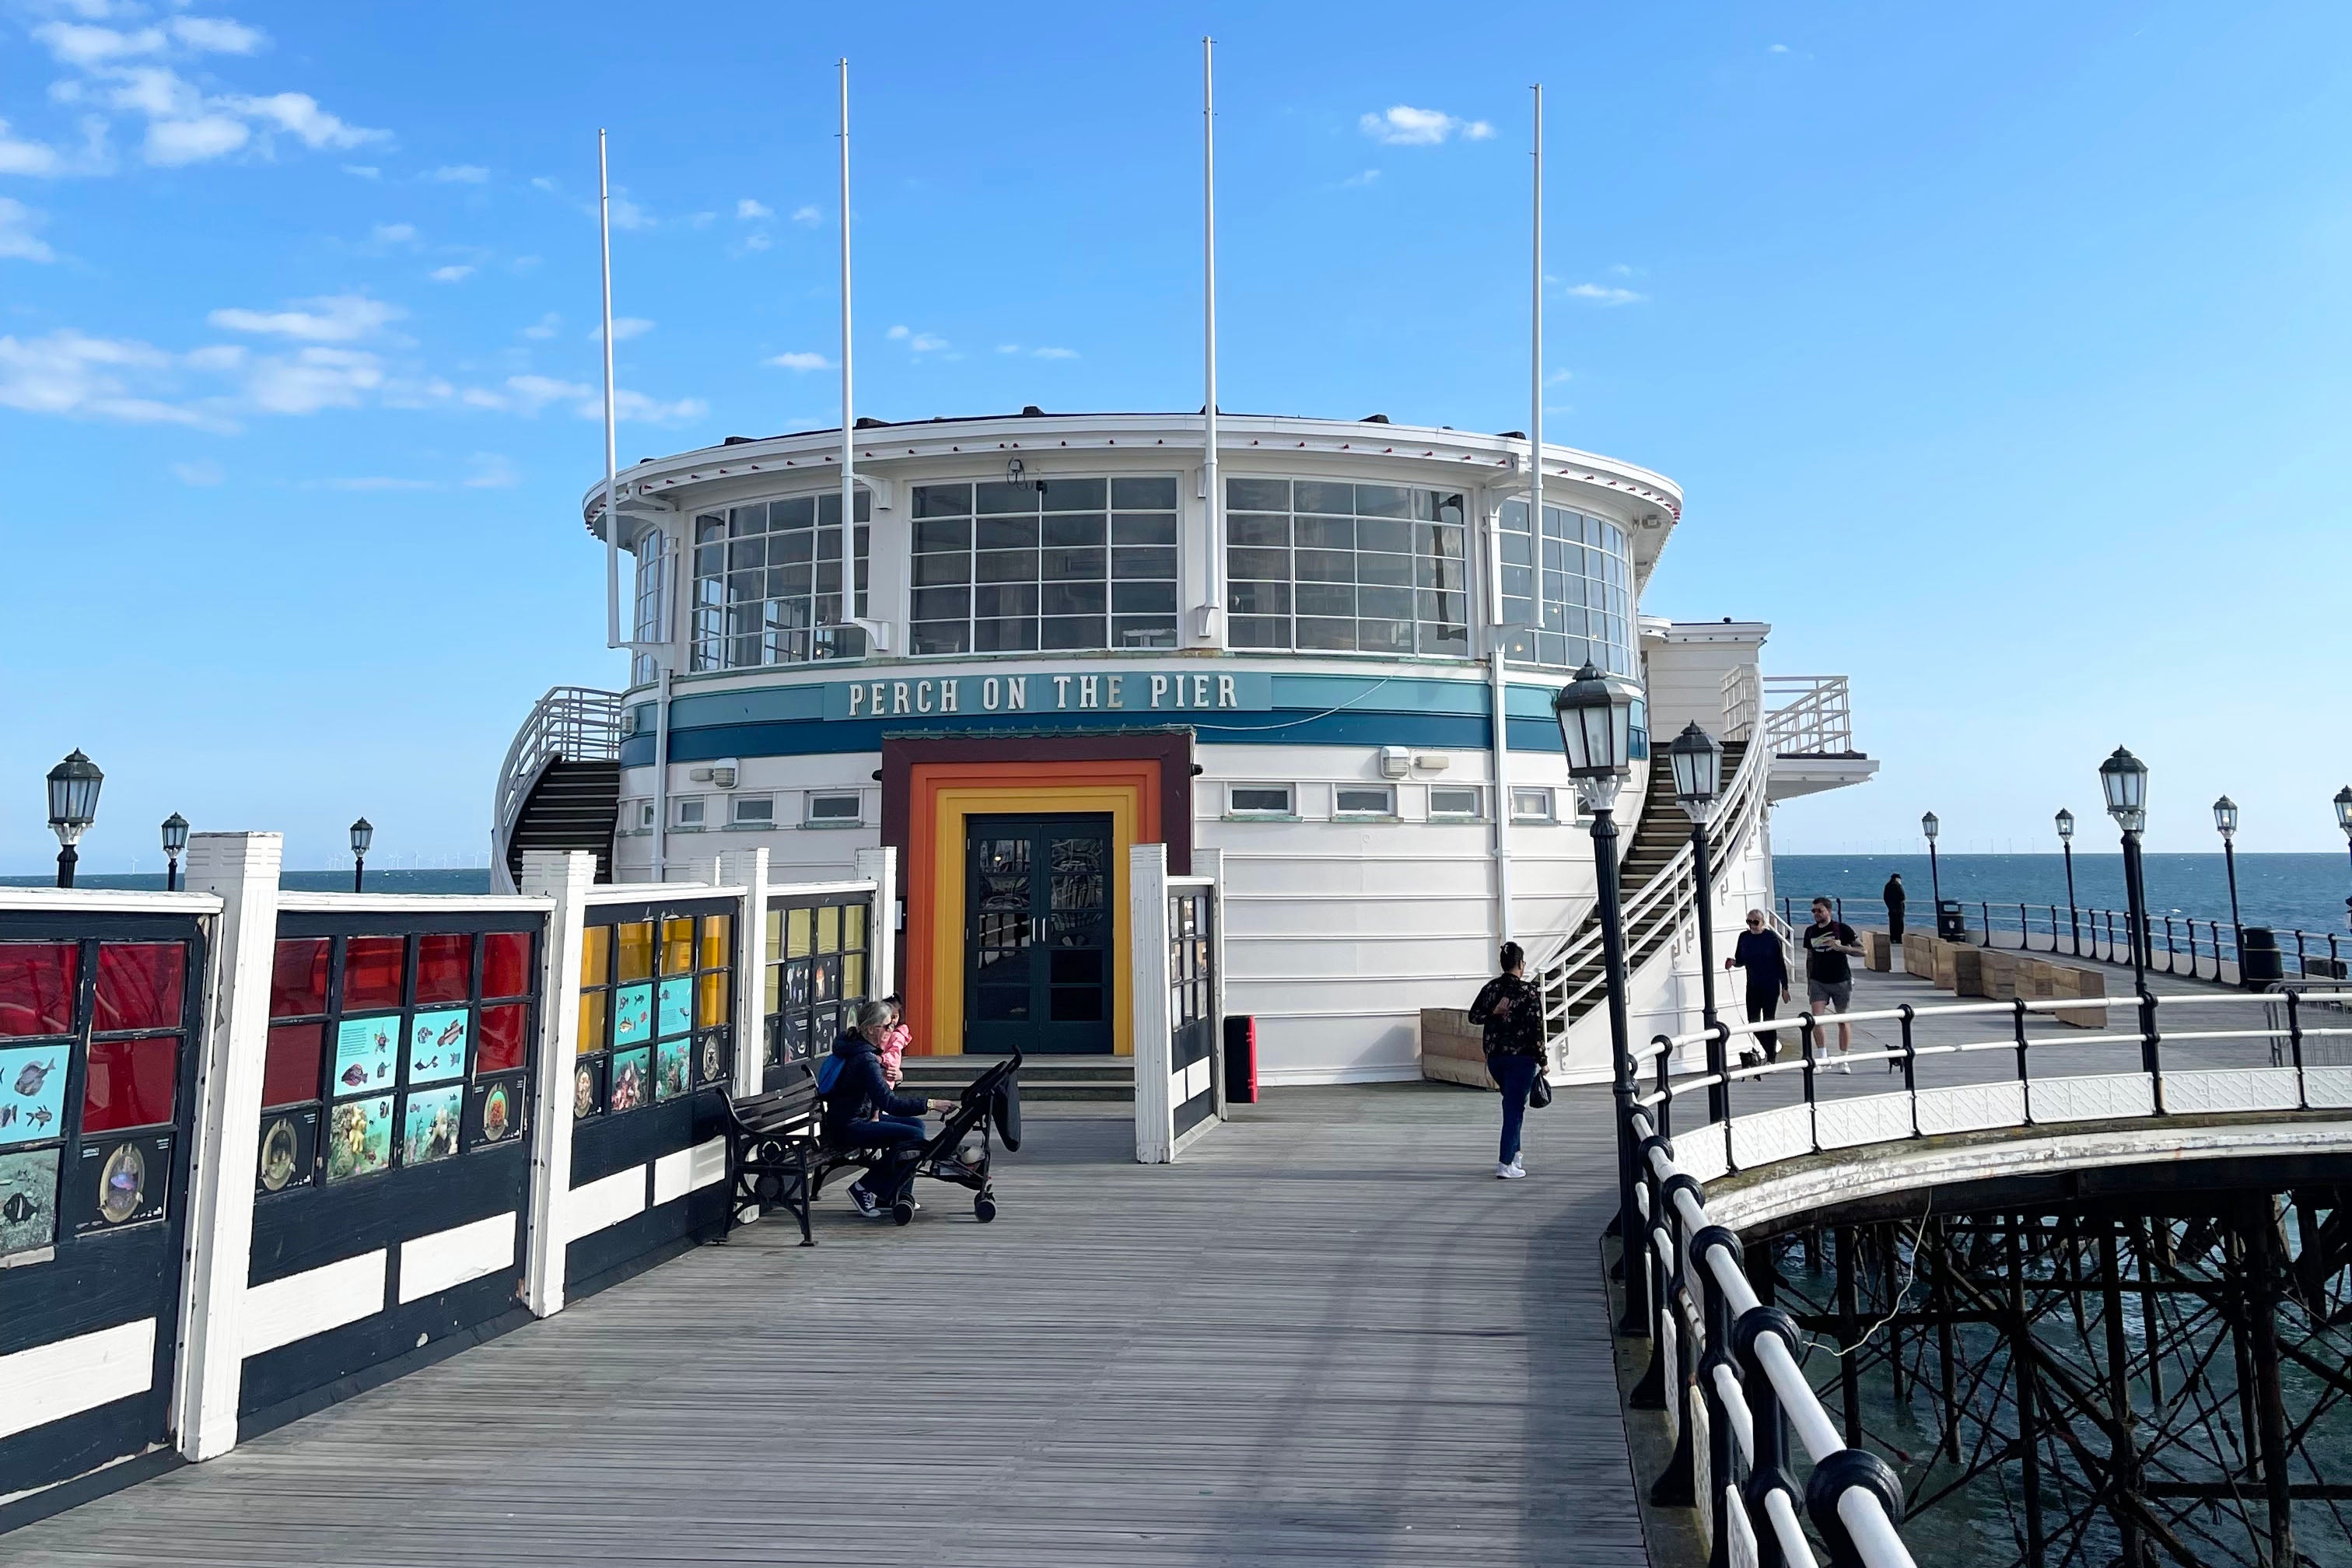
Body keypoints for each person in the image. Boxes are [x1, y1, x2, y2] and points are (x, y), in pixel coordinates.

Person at [820, 999, 954, 1218]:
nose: (892, 1031)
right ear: (873, 1029)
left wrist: (890, 1090)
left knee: (916, 1127)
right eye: (888, 1026)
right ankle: (864, 1187)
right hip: (848, 1127)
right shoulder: (865, 1059)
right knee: (911, 1135)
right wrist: (931, 1104)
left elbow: (873, 1091)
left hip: (855, 1118)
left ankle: (894, 1194)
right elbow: (889, 1103)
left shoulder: (860, 1049)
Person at [1467, 941, 1545, 1181]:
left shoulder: (1490, 989)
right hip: (1521, 1059)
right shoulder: (1528, 991)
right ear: (1521, 964)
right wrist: (1543, 1060)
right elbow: (1536, 1028)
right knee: (1513, 1109)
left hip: (1495, 1058)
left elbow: (1473, 1016)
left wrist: (1494, 1013)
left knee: (1513, 1104)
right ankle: (1506, 1162)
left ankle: (1516, 1154)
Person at [1801, 896, 1864, 1070]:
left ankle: (1843, 1059)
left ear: (1828, 911)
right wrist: (1808, 982)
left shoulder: (1841, 928)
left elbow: (1863, 951)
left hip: (1840, 980)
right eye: (1813, 910)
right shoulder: (1810, 931)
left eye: (1819, 910)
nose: (1815, 914)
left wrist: (1842, 948)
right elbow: (1809, 957)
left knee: (1842, 1019)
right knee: (1816, 1019)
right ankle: (1822, 1059)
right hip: (1817, 981)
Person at [1724, 910, 1790, 1064]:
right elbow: (1741, 960)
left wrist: (1785, 987)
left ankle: (1771, 1059)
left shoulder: (1771, 938)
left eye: (1755, 922)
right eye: (1749, 922)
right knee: (1753, 1023)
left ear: (1762, 922)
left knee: (1769, 1021)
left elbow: (1780, 964)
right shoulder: (1744, 937)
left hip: (1771, 985)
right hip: (1753, 985)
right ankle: (1770, 1051)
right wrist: (1733, 963)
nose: (1752, 925)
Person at [876, 994, 912, 1087]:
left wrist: (882, 1059)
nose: (891, 1021)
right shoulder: (880, 1031)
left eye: (894, 1017)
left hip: (887, 1077)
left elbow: (895, 1053)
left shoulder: (897, 1035)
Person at [1883, 873, 1906, 943]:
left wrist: (1889, 906)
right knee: (1899, 924)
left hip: (1891, 909)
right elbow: (1903, 897)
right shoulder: (1898, 886)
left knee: (1892, 924)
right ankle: (1899, 938)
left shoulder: (1887, 885)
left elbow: (1885, 897)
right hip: (1899, 909)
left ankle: (1893, 938)